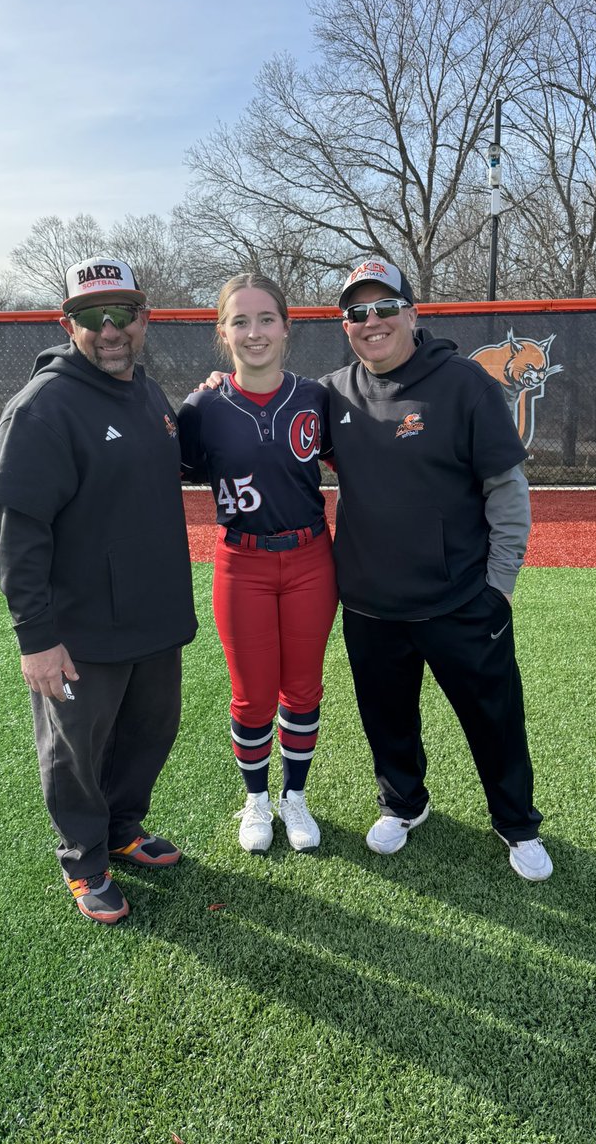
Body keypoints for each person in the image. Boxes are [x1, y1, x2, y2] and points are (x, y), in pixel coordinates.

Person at [323, 258, 551, 880]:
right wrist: (218, 386)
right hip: (371, 604)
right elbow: (268, 423)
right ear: (345, 325)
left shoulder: (463, 383)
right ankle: (404, 803)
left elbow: (506, 489)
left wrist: (498, 587)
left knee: (494, 718)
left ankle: (516, 822)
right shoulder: (332, 393)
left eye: (384, 307)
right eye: (357, 312)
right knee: (386, 720)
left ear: (411, 313)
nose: (372, 322)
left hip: (460, 601)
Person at [0, 256, 198, 924]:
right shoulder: (42, 408)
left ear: (145, 317)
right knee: (76, 752)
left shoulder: (148, 393)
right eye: (91, 316)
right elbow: (18, 536)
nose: (111, 330)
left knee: (149, 734)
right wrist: (36, 640)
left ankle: (123, 828)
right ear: (67, 323)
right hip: (80, 633)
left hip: (154, 620)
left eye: (124, 313)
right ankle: (84, 859)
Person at [178, 274, 338, 855]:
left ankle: (294, 795)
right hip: (240, 563)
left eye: (266, 318)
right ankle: (256, 800)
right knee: (251, 695)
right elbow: (175, 472)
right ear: (223, 333)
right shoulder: (201, 407)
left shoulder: (316, 398)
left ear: (286, 327)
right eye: (240, 321)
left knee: (302, 688)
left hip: (311, 559)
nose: (254, 332)